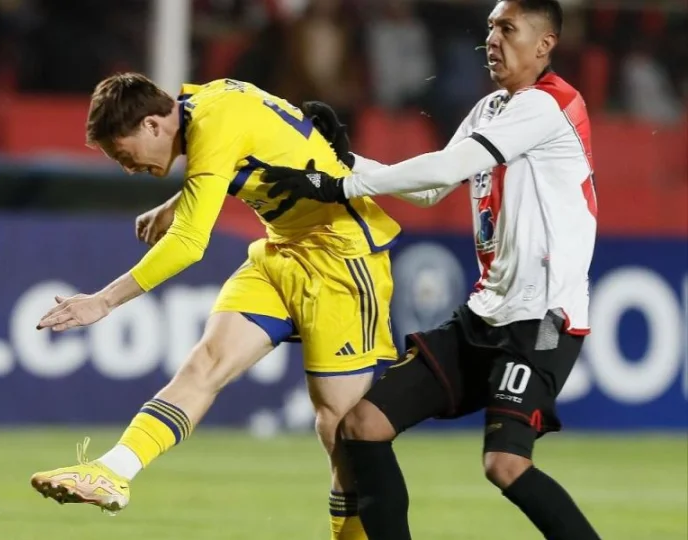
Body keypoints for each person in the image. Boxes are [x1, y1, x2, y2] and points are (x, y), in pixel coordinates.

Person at [257, 1, 601, 539]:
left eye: (507, 28)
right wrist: (344, 158)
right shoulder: (491, 109)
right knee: (363, 426)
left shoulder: (551, 104)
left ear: (545, 44)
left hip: (541, 321)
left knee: (505, 464)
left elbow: (450, 165)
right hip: (484, 315)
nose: (492, 38)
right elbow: (431, 189)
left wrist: (339, 186)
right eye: (490, 27)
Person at [30, 73, 402, 539]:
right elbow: (251, 147)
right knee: (204, 363)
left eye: (124, 155)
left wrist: (104, 301)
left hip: (342, 259)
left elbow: (189, 242)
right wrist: (181, 199)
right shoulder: (202, 103)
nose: (128, 168)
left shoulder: (214, 118)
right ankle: (112, 471)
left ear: (151, 125)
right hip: (282, 251)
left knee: (341, 430)